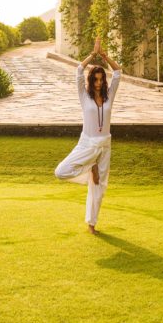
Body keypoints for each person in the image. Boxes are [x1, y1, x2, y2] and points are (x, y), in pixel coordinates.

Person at [54, 36, 122, 234]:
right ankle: (88, 167)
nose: (99, 83)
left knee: (99, 187)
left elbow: (117, 72)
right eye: (96, 79)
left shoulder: (109, 96)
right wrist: (93, 55)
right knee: (60, 171)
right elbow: (78, 70)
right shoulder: (84, 96)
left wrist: (104, 56)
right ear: (91, 81)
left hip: (104, 145)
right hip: (87, 144)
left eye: (102, 79)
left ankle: (92, 224)